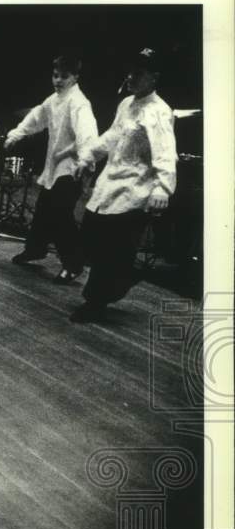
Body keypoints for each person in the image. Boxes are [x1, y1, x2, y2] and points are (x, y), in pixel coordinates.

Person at [71, 48, 177, 323]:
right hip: (110, 182)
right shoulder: (126, 104)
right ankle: (124, 276)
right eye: (130, 72)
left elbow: (166, 152)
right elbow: (111, 136)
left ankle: (94, 302)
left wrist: (162, 188)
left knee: (111, 248)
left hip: (135, 187)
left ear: (154, 77)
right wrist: (88, 156)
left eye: (138, 73)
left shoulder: (159, 112)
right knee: (91, 236)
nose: (130, 77)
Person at [5, 55, 99, 283]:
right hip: (55, 165)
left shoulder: (79, 103)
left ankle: (74, 264)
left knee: (60, 214)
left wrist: (84, 160)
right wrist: (16, 134)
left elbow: (88, 135)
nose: (58, 80)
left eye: (64, 76)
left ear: (75, 77)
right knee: (44, 208)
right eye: (55, 75)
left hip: (73, 167)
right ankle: (35, 249)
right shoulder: (54, 100)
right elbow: (36, 117)